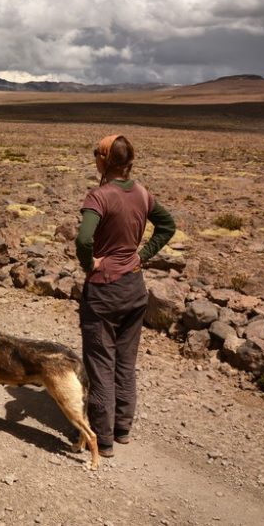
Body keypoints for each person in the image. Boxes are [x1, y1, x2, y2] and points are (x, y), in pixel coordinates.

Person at [75, 134, 175, 458]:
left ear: (104, 160)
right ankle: (122, 429)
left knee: (101, 362)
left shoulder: (99, 197)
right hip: (134, 288)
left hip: (103, 291)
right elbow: (167, 226)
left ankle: (102, 439)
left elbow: (83, 239)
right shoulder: (143, 194)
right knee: (126, 362)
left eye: (97, 155)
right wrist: (142, 255)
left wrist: (89, 263)